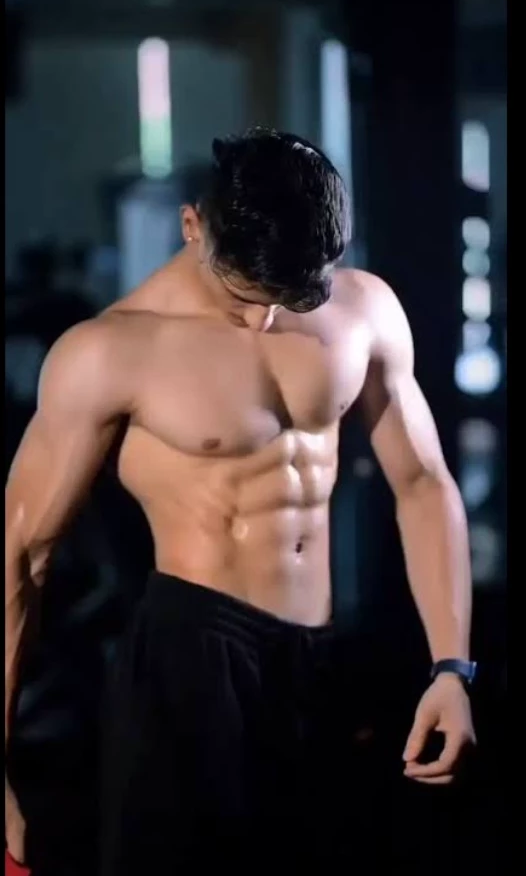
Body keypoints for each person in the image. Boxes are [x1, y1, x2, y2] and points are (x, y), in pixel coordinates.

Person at [5, 129, 476, 874]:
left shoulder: (365, 309)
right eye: (243, 295)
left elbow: (422, 483)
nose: (262, 320)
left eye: (287, 298)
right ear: (193, 227)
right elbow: (21, 557)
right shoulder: (110, 351)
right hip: (189, 663)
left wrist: (452, 666)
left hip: (321, 660)